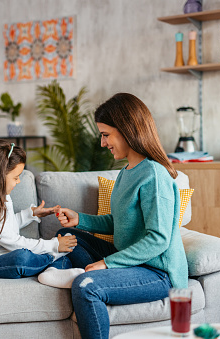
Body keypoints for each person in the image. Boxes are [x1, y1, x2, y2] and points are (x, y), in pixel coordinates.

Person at [55, 93, 188, 339]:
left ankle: (83, 276)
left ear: (127, 130)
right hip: (128, 259)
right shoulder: (127, 172)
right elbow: (118, 223)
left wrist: (107, 264)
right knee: (65, 235)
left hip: (156, 272)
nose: (103, 143)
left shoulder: (154, 175)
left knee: (86, 287)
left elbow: (158, 239)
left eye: (106, 135)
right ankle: (73, 271)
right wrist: (80, 219)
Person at [0, 139, 84, 288]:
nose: (18, 181)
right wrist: (53, 245)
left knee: (61, 257)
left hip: (3, 257)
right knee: (22, 257)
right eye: (15, 177)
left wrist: (31, 214)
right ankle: (53, 259)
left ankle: (52, 270)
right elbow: (13, 242)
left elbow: (7, 226)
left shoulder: (2, 197)